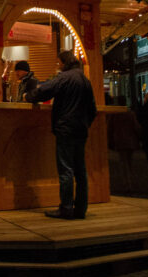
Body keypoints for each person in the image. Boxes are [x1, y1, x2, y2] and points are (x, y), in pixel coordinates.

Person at [25, 49, 98, 219]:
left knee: (66, 169)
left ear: (64, 63)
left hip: (65, 129)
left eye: (58, 63)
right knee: (81, 170)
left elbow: (43, 91)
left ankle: (65, 208)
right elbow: (92, 109)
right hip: (81, 130)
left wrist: (28, 97)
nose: (58, 66)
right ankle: (81, 209)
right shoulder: (85, 80)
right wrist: (85, 124)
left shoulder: (64, 78)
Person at [107, 96, 141, 194]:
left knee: (123, 163)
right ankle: (130, 182)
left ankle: (127, 183)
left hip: (120, 140)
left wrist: (110, 139)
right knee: (129, 162)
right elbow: (136, 127)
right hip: (130, 141)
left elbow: (109, 128)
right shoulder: (130, 114)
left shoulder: (115, 114)